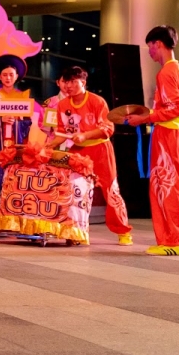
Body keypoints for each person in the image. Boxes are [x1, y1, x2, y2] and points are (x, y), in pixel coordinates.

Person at [125, 25, 179, 256]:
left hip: (167, 136)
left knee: (165, 187)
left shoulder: (166, 72)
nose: (149, 52)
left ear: (158, 44)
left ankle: (172, 241)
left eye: (150, 47)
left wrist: (145, 118)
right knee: (176, 188)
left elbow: (175, 108)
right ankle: (174, 238)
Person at [49, 65, 133, 245]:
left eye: (73, 81)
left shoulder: (97, 101)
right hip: (77, 152)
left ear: (83, 82)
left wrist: (85, 135)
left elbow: (107, 128)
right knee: (72, 191)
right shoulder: (62, 105)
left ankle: (123, 231)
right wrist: (47, 147)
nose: (69, 86)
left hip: (100, 150)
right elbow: (61, 133)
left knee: (111, 190)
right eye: (66, 82)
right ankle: (75, 231)